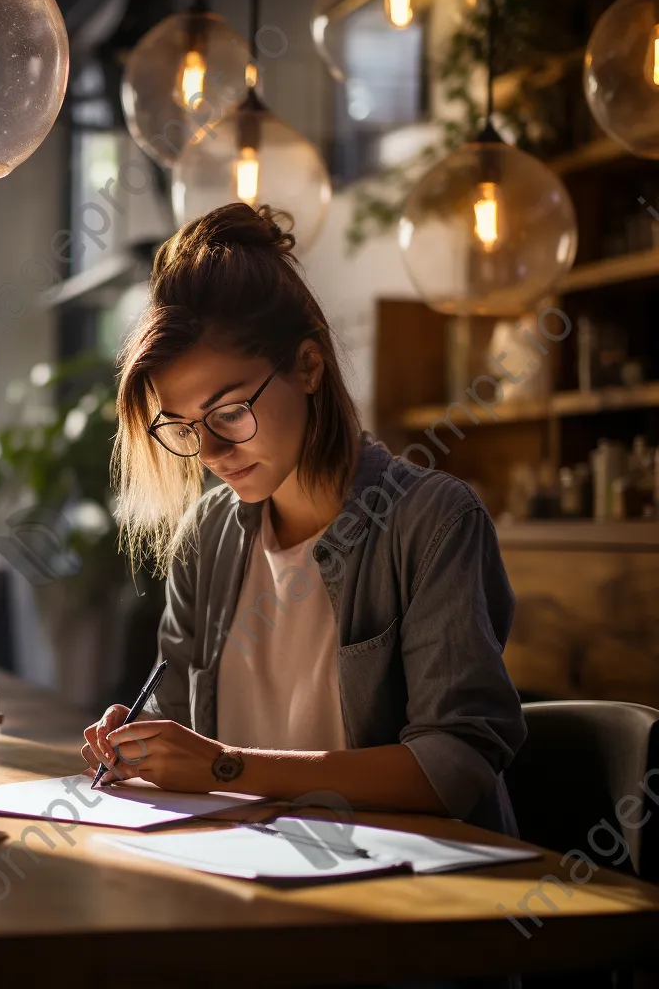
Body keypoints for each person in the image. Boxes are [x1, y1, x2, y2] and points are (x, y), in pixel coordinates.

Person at [81, 200, 527, 843]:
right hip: (246, 871)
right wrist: (139, 742)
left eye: (229, 412)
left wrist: (225, 766)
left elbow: (455, 768)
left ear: (309, 367)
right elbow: (175, 716)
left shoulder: (432, 523)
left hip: (413, 893)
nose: (209, 453)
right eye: (183, 428)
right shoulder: (206, 538)